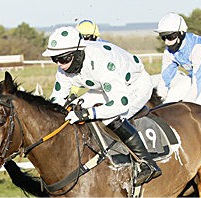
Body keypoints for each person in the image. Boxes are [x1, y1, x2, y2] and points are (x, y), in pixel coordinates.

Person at [43, 26, 161, 186]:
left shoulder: (102, 61)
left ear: (77, 53)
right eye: (55, 59)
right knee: (73, 107)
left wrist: (86, 114)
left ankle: (148, 163)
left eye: (63, 59)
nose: (60, 65)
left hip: (134, 86)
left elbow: (120, 103)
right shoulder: (64, 67)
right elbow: (56, 100)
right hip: (102, 88)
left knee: (110, 117)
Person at [154, 12, 201, 107]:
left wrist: (186, 104)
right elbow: (166, 75)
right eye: (163, 37)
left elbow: (198, 81)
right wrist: (161, 97)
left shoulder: (198, 48)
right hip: (193, 76)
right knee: (169, 100)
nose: (167, 42)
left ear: (181, 34)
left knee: (195, 106)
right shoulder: (168, 51)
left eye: (170, 37)